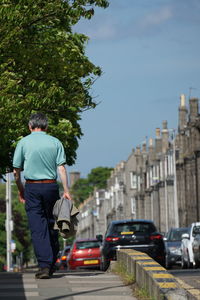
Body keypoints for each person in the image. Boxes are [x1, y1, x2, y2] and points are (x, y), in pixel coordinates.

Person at [13, 112, 71, 279]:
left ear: (30, 126)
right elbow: (61, 169)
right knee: (52, 223)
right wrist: (66, 191)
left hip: (32, 187)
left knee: (38, 227)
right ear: (46, 126)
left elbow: (17, 172)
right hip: (51, 186)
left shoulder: (23, 142)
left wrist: (20, 189)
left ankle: (45, 265)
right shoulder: (55, 142)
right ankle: (52, 261)